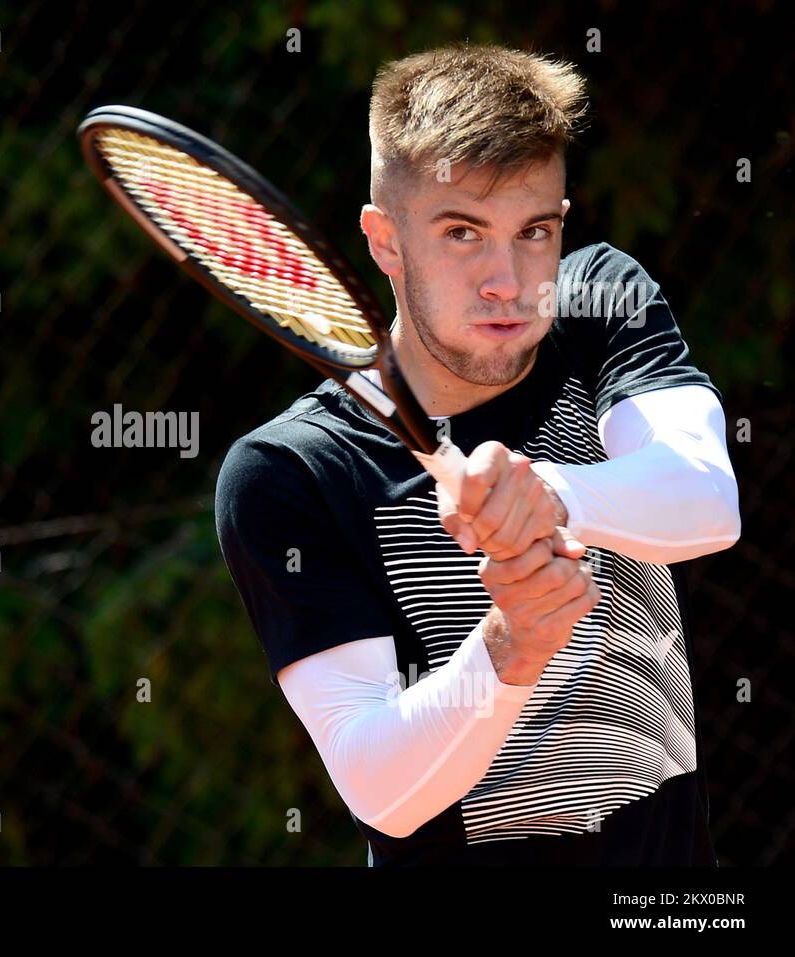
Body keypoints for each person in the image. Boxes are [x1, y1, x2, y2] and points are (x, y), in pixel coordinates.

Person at [214, 43, 740, 865]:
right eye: (463, 233)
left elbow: (707, 497)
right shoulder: (290, 471)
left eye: (536, 231)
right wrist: (512, 644)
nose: (509, 279)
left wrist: (556, 495)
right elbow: (379, 791)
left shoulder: (599, 301)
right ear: (386, 241)